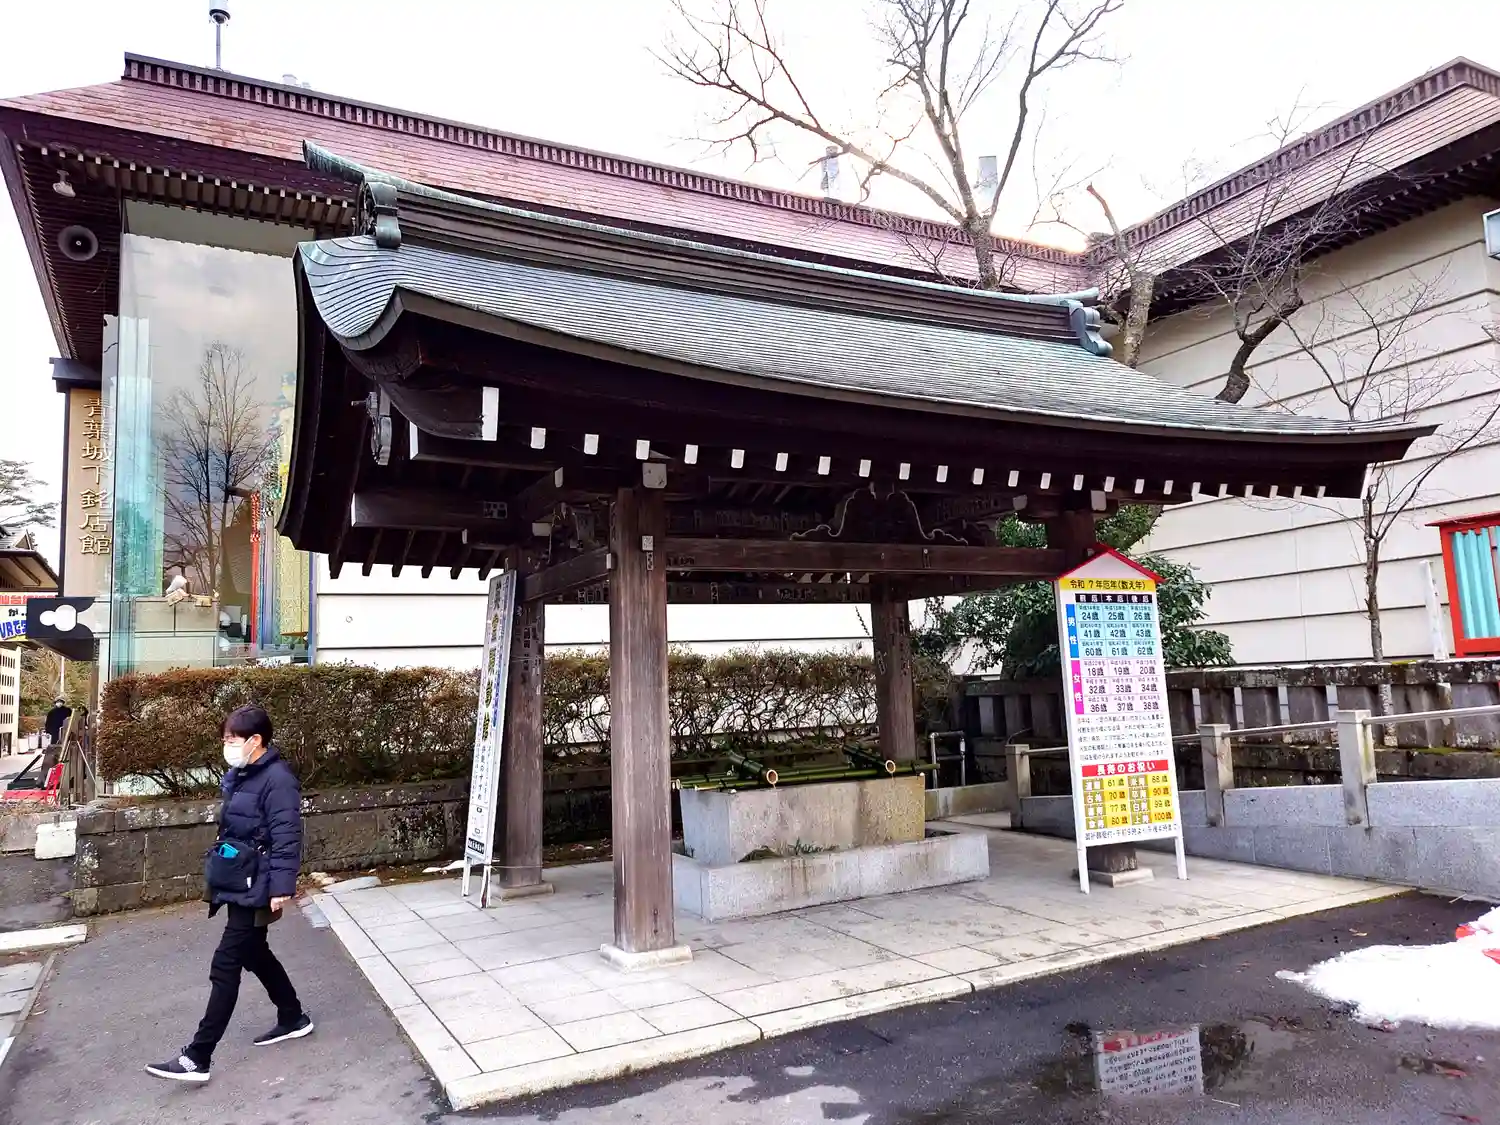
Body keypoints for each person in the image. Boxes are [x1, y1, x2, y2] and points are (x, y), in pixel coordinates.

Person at [147, 705, 313, 1083]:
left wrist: (281, 887)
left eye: (233, 739)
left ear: (256, 740)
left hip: (258, 883)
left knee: (226, 964)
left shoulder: (278, 780)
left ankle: (197, 1057)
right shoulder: (240, 774)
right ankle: (292, 1016)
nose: (227, 745)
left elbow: (287, 836)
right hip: (239, 877)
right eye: (225, 738)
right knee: (254, 952)